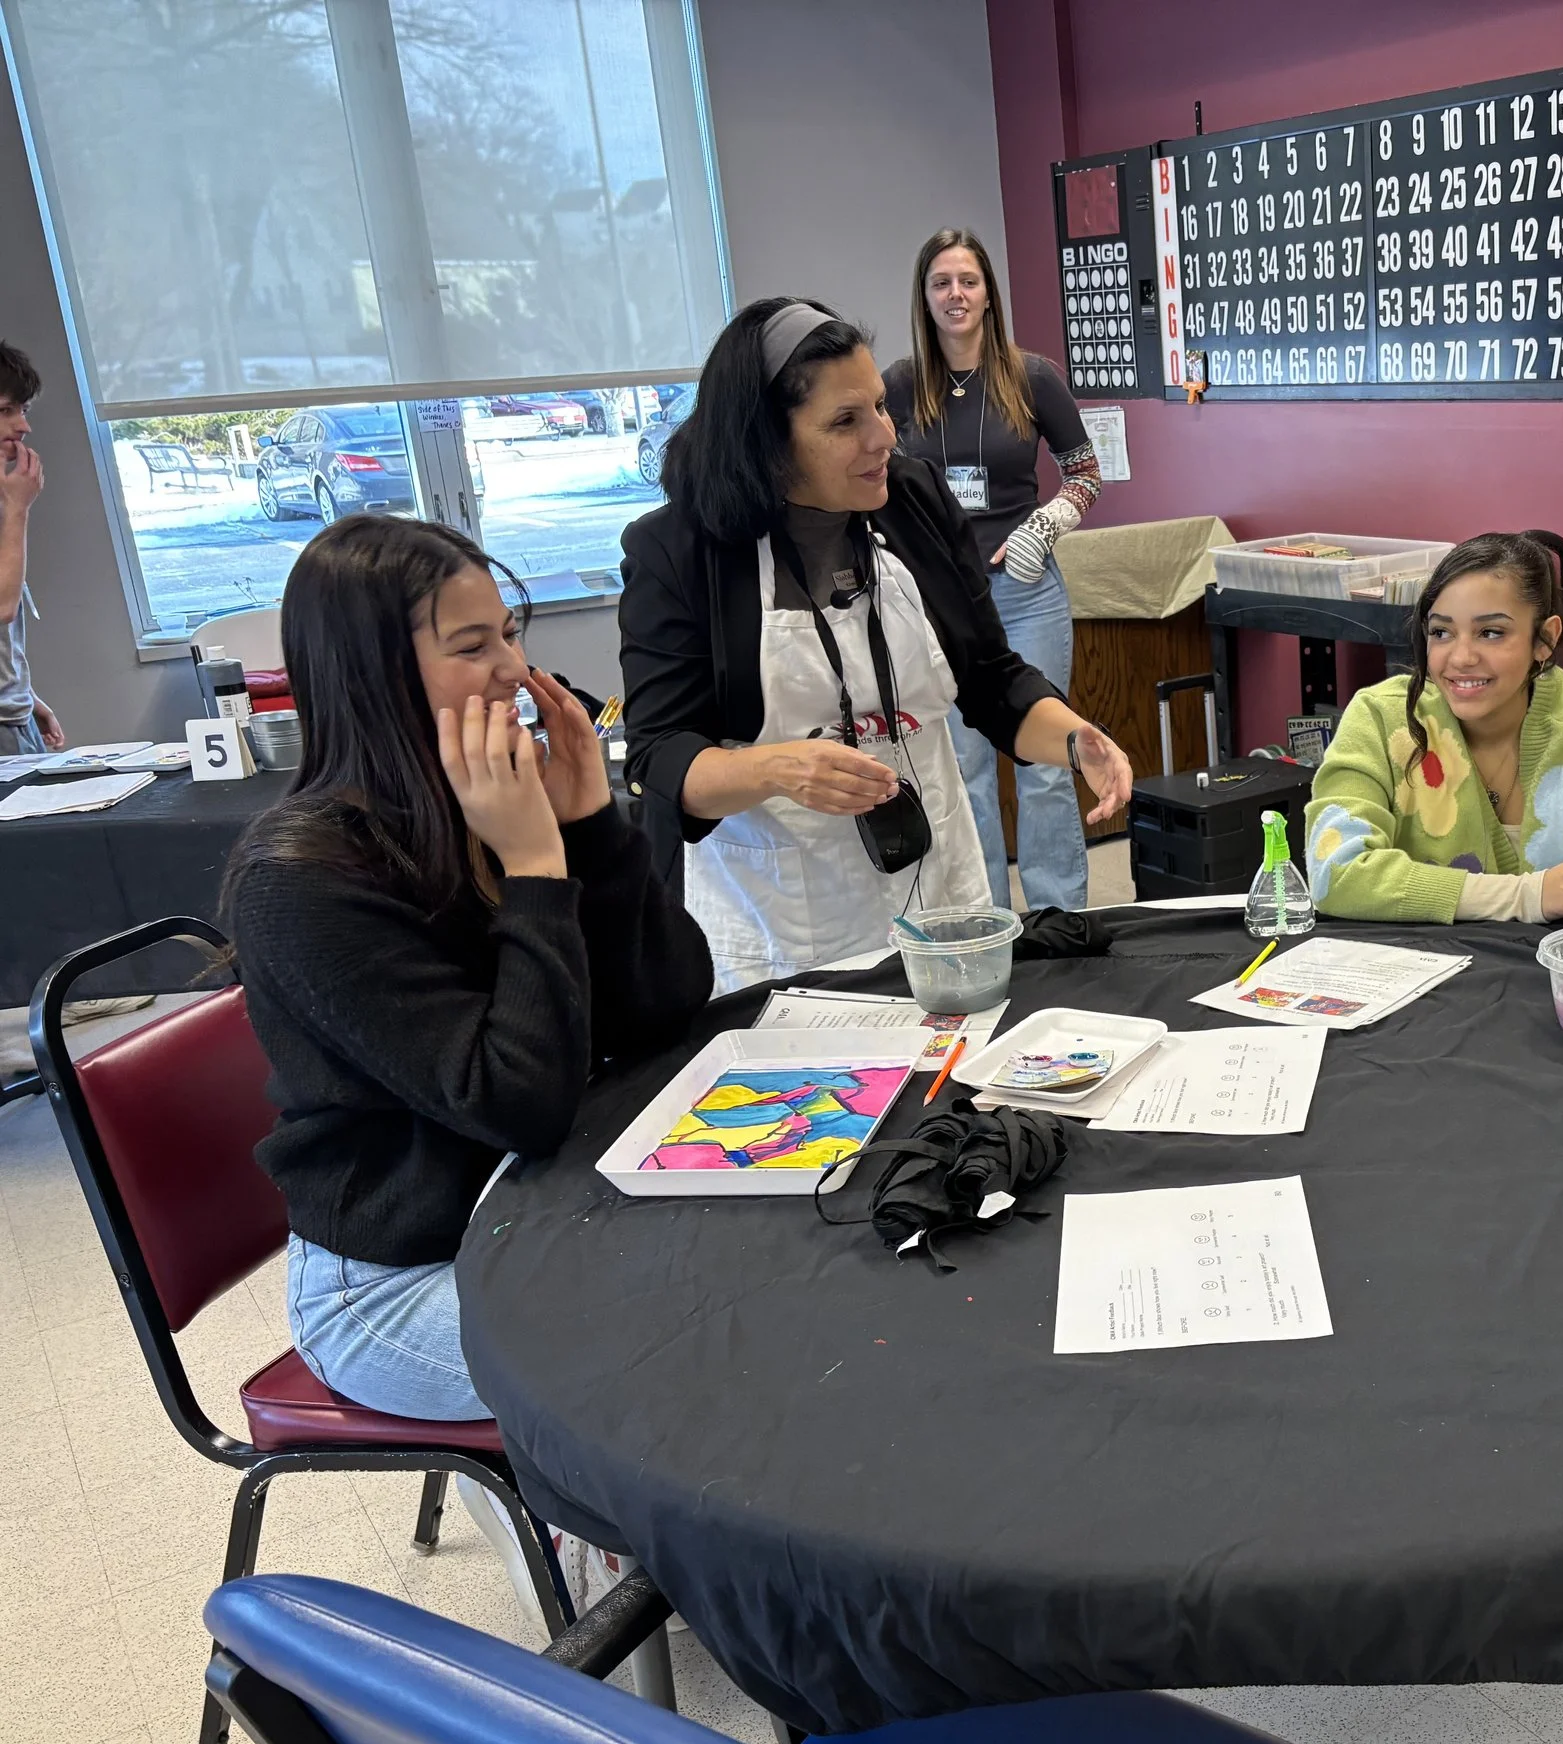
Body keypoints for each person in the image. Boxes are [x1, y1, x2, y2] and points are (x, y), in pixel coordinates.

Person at [223, 515, 713, 1426]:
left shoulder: (478, 807)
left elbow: (668, 1006)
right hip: (394, 1280)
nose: (515, 671)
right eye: (472, 645)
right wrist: (535, 870)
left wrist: (590, 828)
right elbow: (519, 1102)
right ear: (374, 672)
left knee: (759, 1285)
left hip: (536, 1211)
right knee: (697, 1363)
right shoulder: (299, 880)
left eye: (510, 635)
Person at [622, 296, 1133, 991]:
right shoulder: (679, 552)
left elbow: (991, 678)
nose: (883, 437)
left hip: (937, 889)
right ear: (765, 441)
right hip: (787, 922)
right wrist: (778, 768)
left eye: (881, 407)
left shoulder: (912, 500)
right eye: (846, 421)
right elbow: (659, 759)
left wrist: (1075, 739)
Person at [1303, 532, 1563, 935]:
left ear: (1545, 639)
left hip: (1544, 969)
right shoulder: (1380, 718)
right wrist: (1527, 895)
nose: (1461, 658)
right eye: (1441, 632)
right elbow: (1335, 872)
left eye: (1491, 632)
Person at [884, 229, 1104, 912]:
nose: (956, 294)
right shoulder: (899, 385)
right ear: (924, 297)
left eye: (968, 281)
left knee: (1045, 761)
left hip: (1025, 590)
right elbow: (873, 480)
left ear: (988, 295)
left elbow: (1084, 473)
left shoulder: (1032, 377)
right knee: (965, 769)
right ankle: (986, 920)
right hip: (940, 603)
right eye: (941, 283)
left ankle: (1058, 916)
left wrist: (1046, 524)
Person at [0, 338, 62, 754]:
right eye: (5, 411)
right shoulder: (11, 506)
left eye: (23, 410)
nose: (23, 426)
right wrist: (18, 509)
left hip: (14, 715)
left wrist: (26, 694)